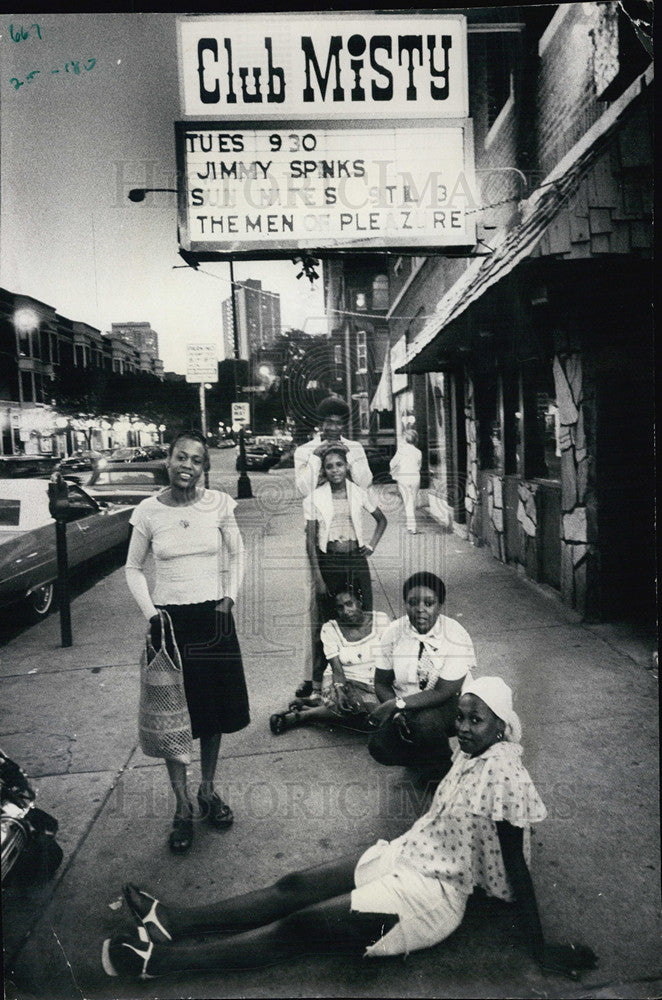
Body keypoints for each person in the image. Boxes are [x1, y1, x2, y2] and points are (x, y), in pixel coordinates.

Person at [102, 677, 597, 982]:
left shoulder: (505, 772)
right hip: (409, 854)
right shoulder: (470, 755)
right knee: (295, 886)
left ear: (502, 728)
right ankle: (176, 921)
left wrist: (542, 948)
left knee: (305, 926)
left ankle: (159, 964)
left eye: (476, 721)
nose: (464, 727)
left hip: (432, 897)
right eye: (462, 718)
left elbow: (515, 864)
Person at [124, 430, 250, 855]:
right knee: (173, 719)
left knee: (212, 714)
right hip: (169, 626)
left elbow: (238, 553)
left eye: (197, 460)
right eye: (181, 456)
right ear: (168, 458)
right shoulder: (147, 511)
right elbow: (132, 568)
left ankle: (207, 792)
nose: (188, 466)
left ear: (204, 468)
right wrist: (152, 614)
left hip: (213, 618)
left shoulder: (218, 505)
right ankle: (181, 806)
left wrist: (229, 598)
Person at [293, 395, 373, 699]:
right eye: (327, 422)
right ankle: (312, 677)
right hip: (317, 535)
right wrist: (317, 457)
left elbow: (364, 484)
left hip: (350, 539)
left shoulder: (355, 448)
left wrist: (347, 455)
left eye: (338, 422)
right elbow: (301, 489)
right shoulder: (305, 451)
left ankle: (358, 672)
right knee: (318, 608)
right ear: (319, 422)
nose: (332, 427)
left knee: (358, 604)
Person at [368, 571, 476, 781]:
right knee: (379, 746)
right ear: (405, 604)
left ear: (440, 605)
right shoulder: (394, 632)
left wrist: (395, 706)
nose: (420, 609)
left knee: (425, 723)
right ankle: (425, 760)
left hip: (449, 704)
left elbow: (443, 691)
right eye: (412, 602)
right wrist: (398, 713)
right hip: (405, 704)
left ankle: (443, 775)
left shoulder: (455, 634)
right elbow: (381, 682)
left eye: (429, 603)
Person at [303, 443, 387, 701]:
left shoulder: (358, 492)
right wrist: (317, 576)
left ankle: (373, 678)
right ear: (324, 471)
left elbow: (382, 520)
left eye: (339, 464)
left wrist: (370, 545)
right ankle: (320, 684)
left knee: (365, 616)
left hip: (355, 561)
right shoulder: (315, 497)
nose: (335, 470)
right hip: (329, 562)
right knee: (327, 621)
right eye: (329, 466)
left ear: (347, 466)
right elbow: (310, 540)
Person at [269, 584, 390, 735]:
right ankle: (301, 716)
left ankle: (314, 707)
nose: (346, 611)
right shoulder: (330, 629)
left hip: (377, 681)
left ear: (359, 602)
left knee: (380, 715)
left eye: (349, 604)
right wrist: (340, 690)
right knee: (362, 714)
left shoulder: (381, 620)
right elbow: (336, 669)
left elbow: (392, 656)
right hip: (345, 679)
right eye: (340, 607)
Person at [389, 429, 423, 534]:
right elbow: (419, 466)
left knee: (407, 502)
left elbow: (392, 463)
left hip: (404, 477)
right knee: (412, 501)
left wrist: (398, 468)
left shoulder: (401, 450)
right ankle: (410, 525)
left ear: (406, 438)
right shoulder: (418, 452)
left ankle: (412, 527)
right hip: (415, 477)